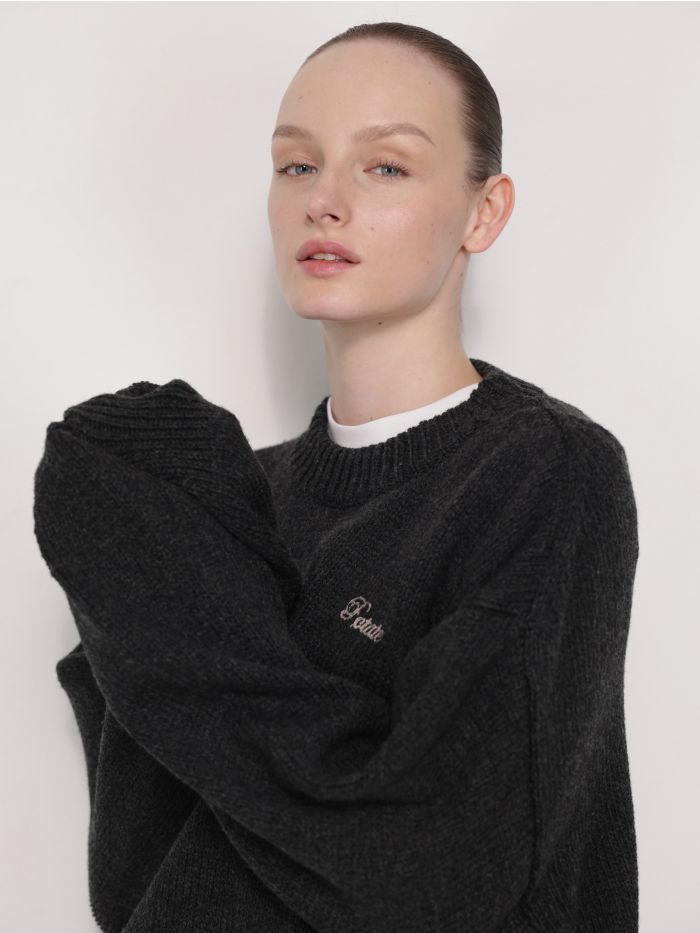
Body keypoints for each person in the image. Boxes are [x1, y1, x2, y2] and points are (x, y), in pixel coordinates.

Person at [33, 22, 640, 933]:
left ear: (484, 212)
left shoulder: (542, 474)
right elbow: (137, 869)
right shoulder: (220, 503)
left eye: (386, 166)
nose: (324, 201)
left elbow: (435, 869)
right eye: (297, 165)